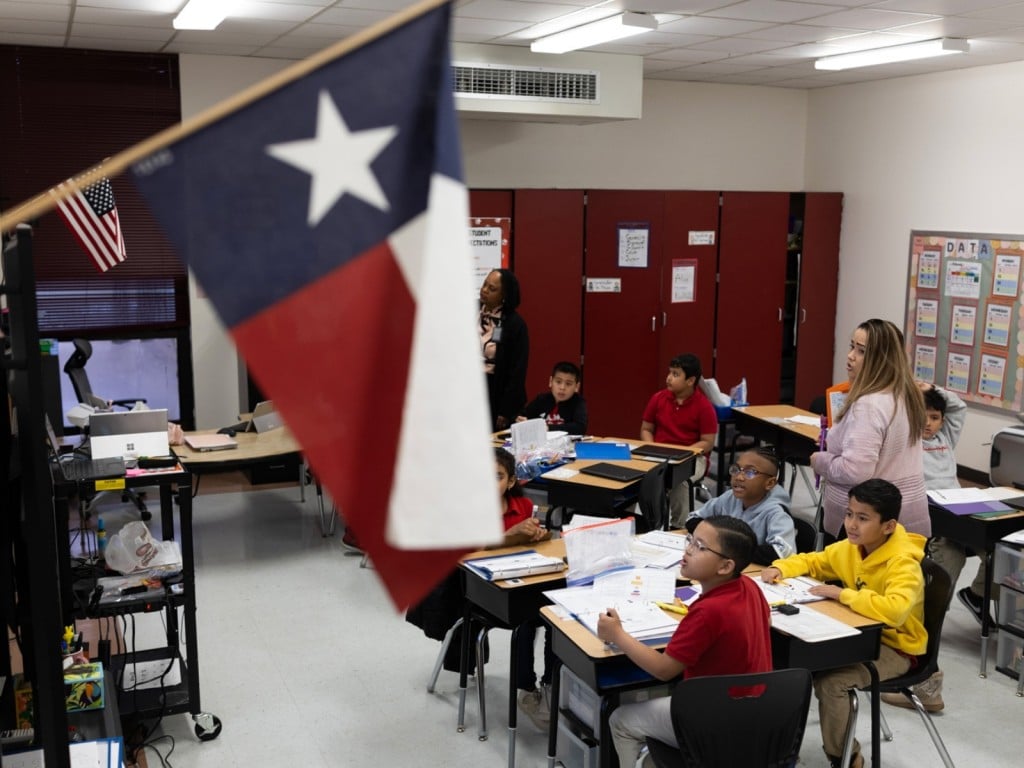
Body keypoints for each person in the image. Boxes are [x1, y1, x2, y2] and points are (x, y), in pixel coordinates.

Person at [761, 479, 927, 768]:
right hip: (853, 635)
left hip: (896, 648)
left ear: (888, 526)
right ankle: (779, 750)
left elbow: (896, 611)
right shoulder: (852, 547)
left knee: (832, 683)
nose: (851, 524)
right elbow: (814, 561)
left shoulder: (903, 562)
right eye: (849, 514)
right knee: (791, 665)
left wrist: (844, 594)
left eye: (862, 518)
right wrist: (780, 567)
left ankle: (846, 759)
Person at [598, 517, 772, 767]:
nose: (688, 550)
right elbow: (764, 623)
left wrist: (617, 634)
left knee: (620, 720)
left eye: (700, 547)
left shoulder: (707, 612)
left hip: (713, 721)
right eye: (690, 540)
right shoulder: (749, 585)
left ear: (725, 567)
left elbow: (663, 670)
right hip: (755, 711)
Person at [881, 382, 969, 713]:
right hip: (927, 518)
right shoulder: (910, 440)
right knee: (948, 563)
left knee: (1000, 547)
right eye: (925, 416)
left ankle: (976, 595)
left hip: (959, 511)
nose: (930, 423)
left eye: (935, 417)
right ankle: (935, 614)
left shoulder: (946, 439)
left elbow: (958, 407)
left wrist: (933, 388)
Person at [811, 318, 929, 538]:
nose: (850, 356)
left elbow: (855, 471)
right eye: (852, 347)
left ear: (881, 359)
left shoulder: (869, 405)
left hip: (867, 524)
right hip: (902, 519)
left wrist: (820, 461)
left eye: (861, 351)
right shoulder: (905, 394)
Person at [640, 353, 718, 527]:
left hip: (692, 457)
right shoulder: (658, 398)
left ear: (690, 381)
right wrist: (652, 447)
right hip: (659, 452)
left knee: (680, 480)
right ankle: (641, 522)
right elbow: (646, 429)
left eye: (675, 374)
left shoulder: (704, 407)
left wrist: (683, 454)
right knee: (635, 474)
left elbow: (707, 442)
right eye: (669, 373)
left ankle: (679, 526)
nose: (668, 378)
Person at [686, 447, 797, 565]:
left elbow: (781, 553)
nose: (738, 477)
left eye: (750, 472)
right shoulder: (730, 497)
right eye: (736, 469)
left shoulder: (777, 513)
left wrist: (727, 544)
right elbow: (692, 519)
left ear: (769, 483)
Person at [479, 268, 529, 431]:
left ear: (504, 296)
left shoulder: (515, 325)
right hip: (469, 384)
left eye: (492, 289)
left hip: (496, 391)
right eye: (485, 284)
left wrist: (506, 410)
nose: (484, 290)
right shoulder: (469, 311)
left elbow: (517, 371)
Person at [516, 360, 588, 435]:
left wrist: (549, 428)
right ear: (551, 381)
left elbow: (580, 427)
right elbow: (523, 415)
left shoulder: (578, 402)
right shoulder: (542, 399)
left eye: (568, 384)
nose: (562, 387)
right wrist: (520, 420)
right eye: (558, 382)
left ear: (576, 387)